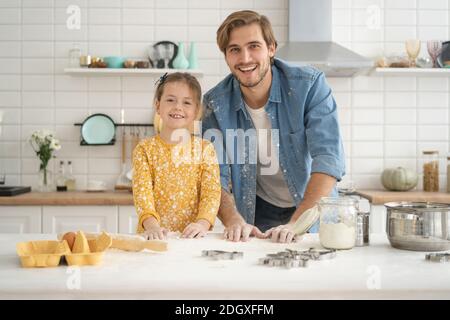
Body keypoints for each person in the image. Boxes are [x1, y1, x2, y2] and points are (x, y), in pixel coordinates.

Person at [202, 10, 345, 243]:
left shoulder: (309, 86)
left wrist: (296, 224)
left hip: (313, 207)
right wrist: (233, 220)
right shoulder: (215, 104)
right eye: (234, 49)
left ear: (271, 48)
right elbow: (213, 176)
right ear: (226, 56)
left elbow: (328, 159)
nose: (245, 58)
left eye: (254, 46)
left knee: (318, 275)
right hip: (260, 211)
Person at [133, 72, 221, 240]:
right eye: (170, 100)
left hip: (192, 239)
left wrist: (202, 224)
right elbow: (143, 196)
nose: (178, 107)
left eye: (186, 102)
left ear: (196, 111)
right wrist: (152, 227)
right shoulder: (144, 149)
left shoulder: (205, 149)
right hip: (154, 239)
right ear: (158, 105)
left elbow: (211, 195)